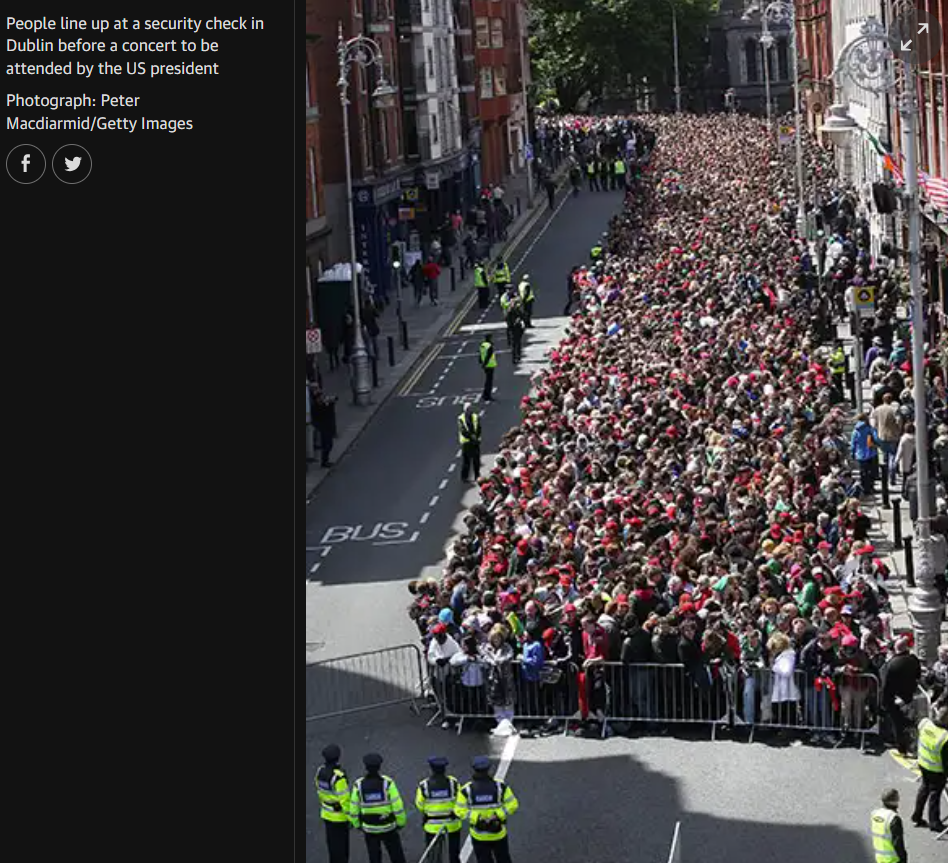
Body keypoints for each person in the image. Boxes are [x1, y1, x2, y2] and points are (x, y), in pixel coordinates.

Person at [455, 756, 519, 863]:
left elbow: (459, 810)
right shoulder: (500, 786)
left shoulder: (467, 790)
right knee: (503, 859)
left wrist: (476, 818)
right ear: (488, 769)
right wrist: (498, 815)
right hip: (498, 833)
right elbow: (513, 804)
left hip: (478, 835)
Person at [349, 753, 408, 863]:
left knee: (374, 857)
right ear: (379, 767)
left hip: (369, 828)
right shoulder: (388, 783)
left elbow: (353, 809)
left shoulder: (359, 785)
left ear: (366, 767)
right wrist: (400, 823)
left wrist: (357, 824)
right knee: (396, 855)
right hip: (388, 826)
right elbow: (398, 806)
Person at [415, 756, 462, 863]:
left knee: (434, 856)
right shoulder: (453, 783)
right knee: (454, 855)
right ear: (445, 769)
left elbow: (419, 804)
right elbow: (461, 801)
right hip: (452, 823)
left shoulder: (424, 785)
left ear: (431, 768)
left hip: (432, 825)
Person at [881, 637, 921, 756]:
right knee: (911, 721)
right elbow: (917, 675)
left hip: (893, 698)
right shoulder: (914, 660)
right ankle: (913, 746)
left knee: (897, 724)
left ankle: (902, 748)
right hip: (909, 696)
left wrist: (883, 701)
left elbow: (885, 684)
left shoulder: (891, 664)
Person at [911, 705, 947, 831]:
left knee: (923, 789)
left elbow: (917, 725)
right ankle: (934, 823)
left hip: (923, 763)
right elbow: (946, 760)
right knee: (934, 796)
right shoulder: (944, 737)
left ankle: (917, 815)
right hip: (936, 770)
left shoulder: (925, 723)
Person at [316, 743, 351, 863]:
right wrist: (351, 818)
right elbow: (345, 800)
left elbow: (320, 791)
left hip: (326, 814)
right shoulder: (338, 777)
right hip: (339, 817)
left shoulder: (319, 771)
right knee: (342, 851)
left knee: (332, 848)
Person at [870, 788, 908, 863]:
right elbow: (898, 843)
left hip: (880, 857)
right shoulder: (893, 818)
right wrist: (903, 859)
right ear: (894, 801)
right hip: (893, 859)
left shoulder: (875, 814)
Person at [851, 412, 881, 495]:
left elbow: (853, 444)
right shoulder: (870, 429)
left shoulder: (855, 431)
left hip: (860, 454)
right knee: (871, 471)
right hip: (871, 453)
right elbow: (876, 439)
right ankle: (871, 487)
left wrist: (852, 453)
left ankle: (865, 488)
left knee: (863, 472)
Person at [309, 382, 337, 469]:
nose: (321, 398)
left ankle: (325, 461)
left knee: (329, 444)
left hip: (328, 426)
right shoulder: (316, 406)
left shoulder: (323, 402)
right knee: (327, 445)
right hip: (324, 427)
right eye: (320, 397)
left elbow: (334, 399)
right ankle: (324, 462)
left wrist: (329, 401)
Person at [458, 403, 482, 482]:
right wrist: (471, 437)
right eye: (468, 409)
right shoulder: (461, 418)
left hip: (475, 442)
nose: (470, 410)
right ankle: (464, 477)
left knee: (476, 460)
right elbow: (463, 430)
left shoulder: (475, 416)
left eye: (471, 408)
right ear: (465, 410)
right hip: (467, 443)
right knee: (466, 461)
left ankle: (477, 475)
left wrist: (476, 436)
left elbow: (479, 427)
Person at [479, 334, 497, 402]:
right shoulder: (489, 346)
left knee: (487, 380)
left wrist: (481, 362)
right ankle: (487, 396)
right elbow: (489, 356)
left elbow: (481, 354)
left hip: (485, 366)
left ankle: (485, 394)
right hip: (489, 365)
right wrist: (485, 363)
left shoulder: (482, 345)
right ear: (489, 338)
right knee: (489, 381)